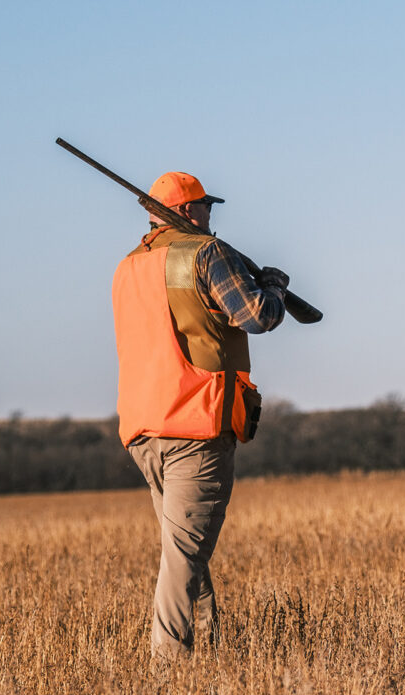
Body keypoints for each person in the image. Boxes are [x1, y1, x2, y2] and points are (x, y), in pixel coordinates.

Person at [111, 171, 290, 657]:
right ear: (190, 211)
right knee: (184, 554)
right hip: (196, 423)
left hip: (142, 430)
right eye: (207, 206)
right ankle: (168, 668)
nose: (212, 215)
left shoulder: (127, 267)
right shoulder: (205, 253)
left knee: (186, 548)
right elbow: (256, 315)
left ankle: (206, 649)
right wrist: (272, 286)